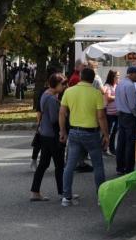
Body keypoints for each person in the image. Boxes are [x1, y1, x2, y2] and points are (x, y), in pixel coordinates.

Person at [59, 68, 109, 206]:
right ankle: (101, 197)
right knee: (98, 165)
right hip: (91, 133)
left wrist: (62, 131)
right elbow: (101, 116)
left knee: (69, 165)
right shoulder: (96, 93)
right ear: (93, 79)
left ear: (80, 77)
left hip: (74, 132)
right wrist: (106, 134)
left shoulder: (69, 91)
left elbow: (62, 112)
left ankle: (66, 197)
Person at [30, 73, 66, 201]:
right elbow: (54, 119)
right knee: (60, 165)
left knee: (43, 164)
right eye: (62, 84)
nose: (64, 86)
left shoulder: (45, 94)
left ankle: (35, 191)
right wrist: (63, 113)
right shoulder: (51, 99)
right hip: (52, 135)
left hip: (44, 134)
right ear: (56, 84)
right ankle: (63, 192)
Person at [115, 66, 136, 175]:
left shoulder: (120, 83)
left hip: (121, 114)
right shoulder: (130, 85)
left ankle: (120, 167)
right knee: (130, 143)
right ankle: (129, 168)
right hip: (129, 116)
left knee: (121, 142)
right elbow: (132, 105)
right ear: (131, 74)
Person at [102, 70, 119, 156]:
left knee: (113, 132)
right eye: (117, 76)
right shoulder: (107, 86)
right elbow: (108, 98)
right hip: (109, 114)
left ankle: (111, 148)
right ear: (112, 77)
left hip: (117, 114)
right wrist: (118, 96)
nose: (118, 78)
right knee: (109, 132)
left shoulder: (117, 85)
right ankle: (105, 148)